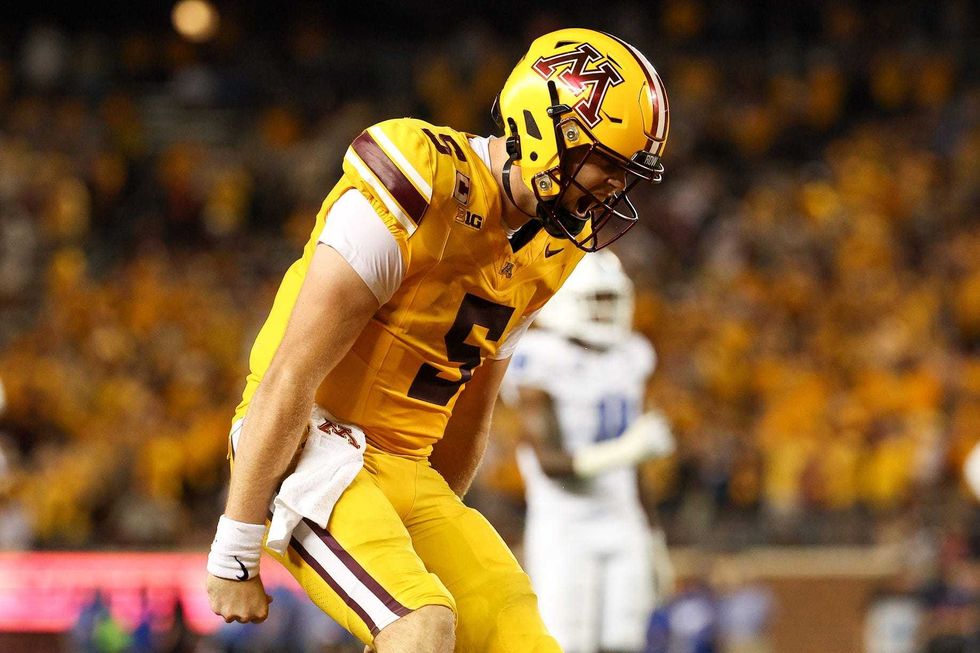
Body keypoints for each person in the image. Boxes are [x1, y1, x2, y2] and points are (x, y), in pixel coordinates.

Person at [205, 27, 669, 653]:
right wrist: (236, 546)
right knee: (422, 625)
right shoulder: (421, 180)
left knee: (516, 632)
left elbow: (470, 414)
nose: (614, 187)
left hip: (404, 469)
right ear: (542, 125)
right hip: (309, 446)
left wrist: (429, 527)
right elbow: (292, 372)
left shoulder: (551, 251)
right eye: (606, 163)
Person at [505, 250, 676, 653]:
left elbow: (633, 470)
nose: (605, 311)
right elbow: (551, 463)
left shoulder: (631, 355)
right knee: (567, 644)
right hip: (566, 528)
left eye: (610, 300)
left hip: (623, 521)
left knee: (624, 642)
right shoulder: (542, 357)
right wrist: (626, 449)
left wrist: (653, 538)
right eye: (595, 300)